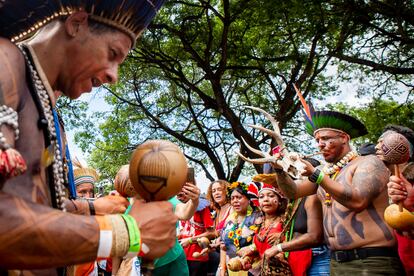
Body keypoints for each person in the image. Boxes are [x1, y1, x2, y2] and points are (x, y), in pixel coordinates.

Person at [0, 1, 177, 274]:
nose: (113, 76)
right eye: (113, 53)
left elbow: (38, 208)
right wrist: (127, 232)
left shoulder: (48, 112)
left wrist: (91, 209)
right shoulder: (5, 60)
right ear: (77, 24)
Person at [274, 110, 404, 275]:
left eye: (326, 138)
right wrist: (278, 169)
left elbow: (357, 200)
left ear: (344, 138)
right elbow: (293, 192)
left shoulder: (369, 163)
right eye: (317, 140)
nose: (320, 144)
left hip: (372, 261)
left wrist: (316, 175)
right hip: (336, 263)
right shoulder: (325, 171)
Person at [256, 161, 328, 276]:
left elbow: (315, 237)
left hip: (317, 258)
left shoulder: (312, 197)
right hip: (297, 258)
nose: (278, 189)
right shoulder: (292, 201)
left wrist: (279, 248)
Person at [376, 125, 414, 275]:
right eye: (378, 142)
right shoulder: (383, 180)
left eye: (384, 142)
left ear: (407, 150)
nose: (377, 146)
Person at [237, 182, 289, 274]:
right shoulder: (259, 224)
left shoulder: (286, 220)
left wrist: (283, 236)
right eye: (261, 197)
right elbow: (259, 249)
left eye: (271, 196)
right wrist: (248, 259)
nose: (266, 199)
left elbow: (299, 239)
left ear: (280, 200)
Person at [219, 181, 261, 276]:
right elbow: (223, 247)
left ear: (248, 199)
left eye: (239, 197)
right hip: (232, 268)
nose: (235, 201)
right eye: (232, 198)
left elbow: (262, 244)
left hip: (253, 269)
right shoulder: (229, 219)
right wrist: (222, 268)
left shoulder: (258, 218)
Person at [179, 194, 215, 276]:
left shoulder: (202, 208)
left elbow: (211, 233)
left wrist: (190, 240)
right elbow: (186, 231)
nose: (179, 196)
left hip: (198, 257)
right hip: (183, 256)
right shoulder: (182, 209)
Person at [206, 179, 232, 275]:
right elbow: (216, 234)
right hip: (222, 254)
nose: (216, 193)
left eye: (219, 189)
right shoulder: (217, 212)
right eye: (213, 191)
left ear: (226, 191)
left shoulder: (232, 208)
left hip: (232, 256)